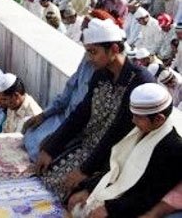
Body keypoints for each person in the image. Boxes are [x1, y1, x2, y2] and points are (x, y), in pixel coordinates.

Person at [36, 19, 155, 200]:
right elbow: (81, 113)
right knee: (45, 175)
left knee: (68, 193)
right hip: (90, 146)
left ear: (114, 49)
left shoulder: (139, 81)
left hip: (117, 158)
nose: (89, 58)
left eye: (93, 52)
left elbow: (118, 131)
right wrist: (50, 149)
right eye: (88, 52)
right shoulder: (100, 75)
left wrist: (85, 170)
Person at [67, 83, 182, 218]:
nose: (133, 120)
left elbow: (147, 195)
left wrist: (110, 209)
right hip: (112, 196)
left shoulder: (174, 149)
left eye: (138, 117)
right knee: (73, 200)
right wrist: (88, 188)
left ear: (159, 119)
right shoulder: (140, 130)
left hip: (129, 207)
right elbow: (113, 167)